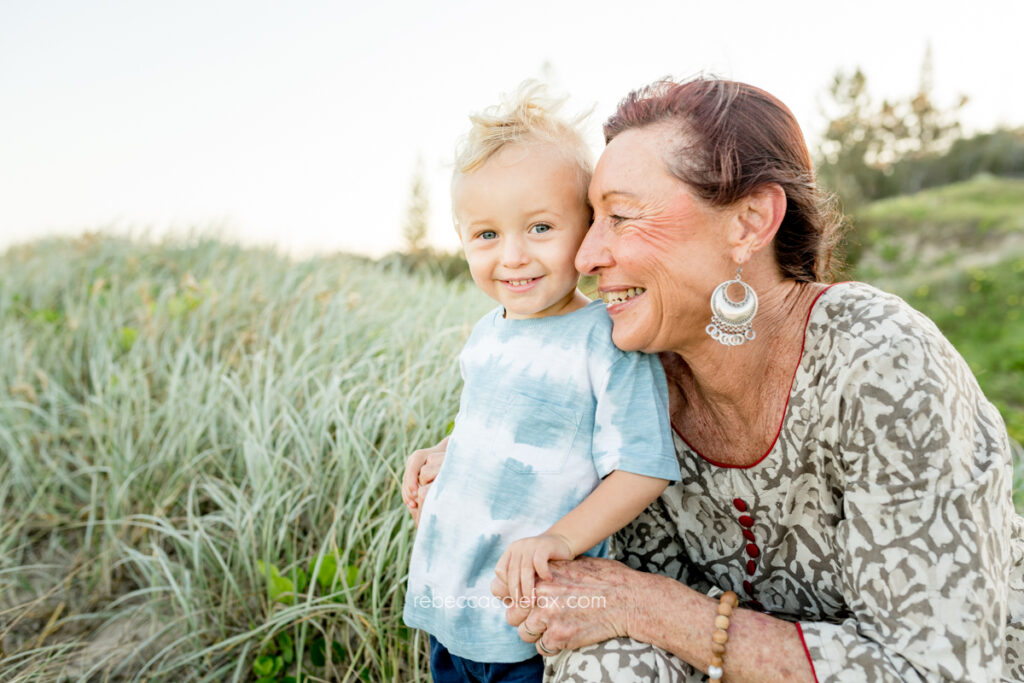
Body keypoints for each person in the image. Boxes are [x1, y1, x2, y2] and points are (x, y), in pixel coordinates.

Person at [407, 77, 1024, 682]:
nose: (586, 255)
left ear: (749, 223)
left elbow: (939, 668)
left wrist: (652, 606)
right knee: (601, 659)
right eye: (590, 219)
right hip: (719, 669)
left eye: (620, 217)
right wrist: (458, 460)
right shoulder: (635, 369)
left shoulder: (880, 360)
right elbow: (585, 539)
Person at [400, 82, 681, 683]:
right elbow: (490, 427)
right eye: (486, 235)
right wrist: (442, 454)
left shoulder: (604, 339)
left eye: (540, 228)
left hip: (530, 608)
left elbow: (644, 465)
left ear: (586, 227)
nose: (513, 257)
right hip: (454, 592)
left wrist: (557, 539)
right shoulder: (487, 333)